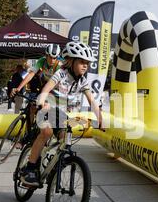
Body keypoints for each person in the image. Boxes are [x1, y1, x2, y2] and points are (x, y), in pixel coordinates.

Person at [19, 41, 102, 187]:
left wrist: (100, 120)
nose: (85, 65)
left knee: (64, 141)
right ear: (71, 61)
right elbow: (46, 88)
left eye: (87, 63)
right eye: (82, 62)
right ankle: (30, 168)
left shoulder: (82, 81)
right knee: (47, 132)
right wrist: (42, 100)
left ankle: (52, 166)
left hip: (62, 114)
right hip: (47, 107)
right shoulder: (61, 73)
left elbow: (92, 101)